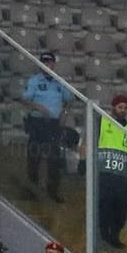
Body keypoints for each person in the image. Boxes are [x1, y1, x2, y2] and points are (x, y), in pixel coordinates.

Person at [20, 54, 73, 201]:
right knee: (34, 157)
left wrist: (65, 114)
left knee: (54, 159)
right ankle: (32, 189)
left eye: (50, 62)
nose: (48, 65)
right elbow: (24, 99)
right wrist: (37, 106)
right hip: (38, 123)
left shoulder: (59, 82)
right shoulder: (34, 81)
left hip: (54, 125)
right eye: (45, 62)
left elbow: (69, 99)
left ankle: (53, 191)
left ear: (54, 64)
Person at [94, 95, 127, 250]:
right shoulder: (104, 122)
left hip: (122, 174)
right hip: (105, 172)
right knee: (105, 205)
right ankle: (105, 234)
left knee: (121, 207)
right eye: (120, 107)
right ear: (113, 108)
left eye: (125, 108)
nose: (123, 110)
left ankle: (115, 235)